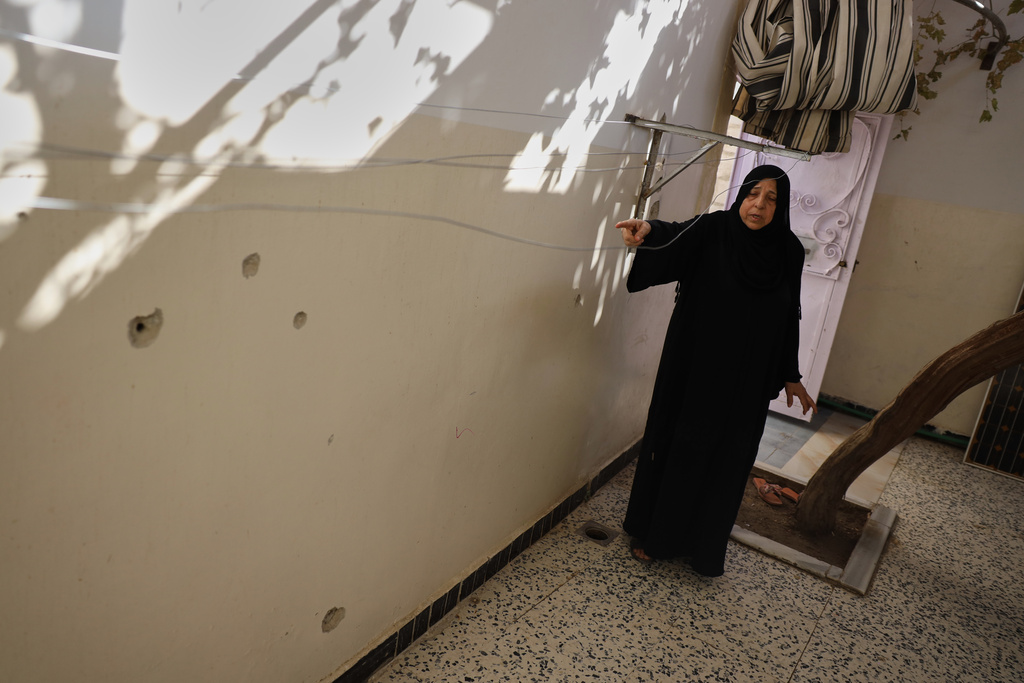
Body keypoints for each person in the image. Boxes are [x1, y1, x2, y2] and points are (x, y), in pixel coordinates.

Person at [617, 164, 817, 577]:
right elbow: (672, 233)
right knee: (682, 448)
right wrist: (647, 231)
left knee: (727, 461)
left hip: (746, 380)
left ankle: (703, 549)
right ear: (741, 194)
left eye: (771, 199)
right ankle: (658, 537)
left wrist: (790, 373)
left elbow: (789, 315)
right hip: (694, 369)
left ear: (780, 208)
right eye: (752, 194)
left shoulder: (789, 251)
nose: (758, 205)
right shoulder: (713, 230)